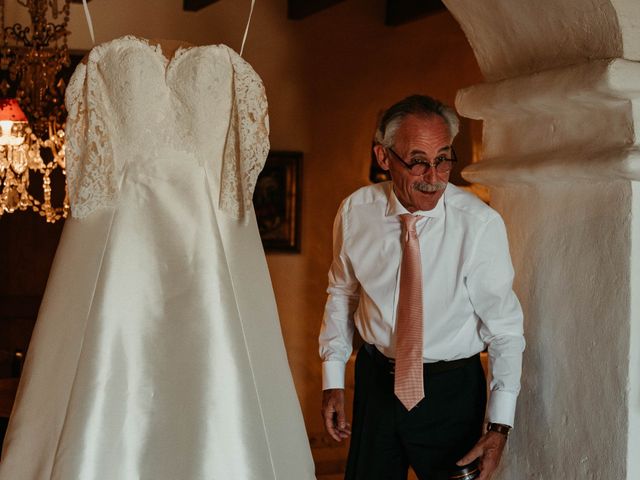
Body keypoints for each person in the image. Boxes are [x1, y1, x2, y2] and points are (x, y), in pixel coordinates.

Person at [319, 95, 525, 480]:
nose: (434, 177)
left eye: (444, 159)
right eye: (417, 160)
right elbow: (342, 293)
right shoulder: (355, 212)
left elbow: (506, 330)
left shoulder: (478, 225)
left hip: (452, 393)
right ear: (384, 158)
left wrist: (499, 426)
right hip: (376, 382)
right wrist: (333, 381)